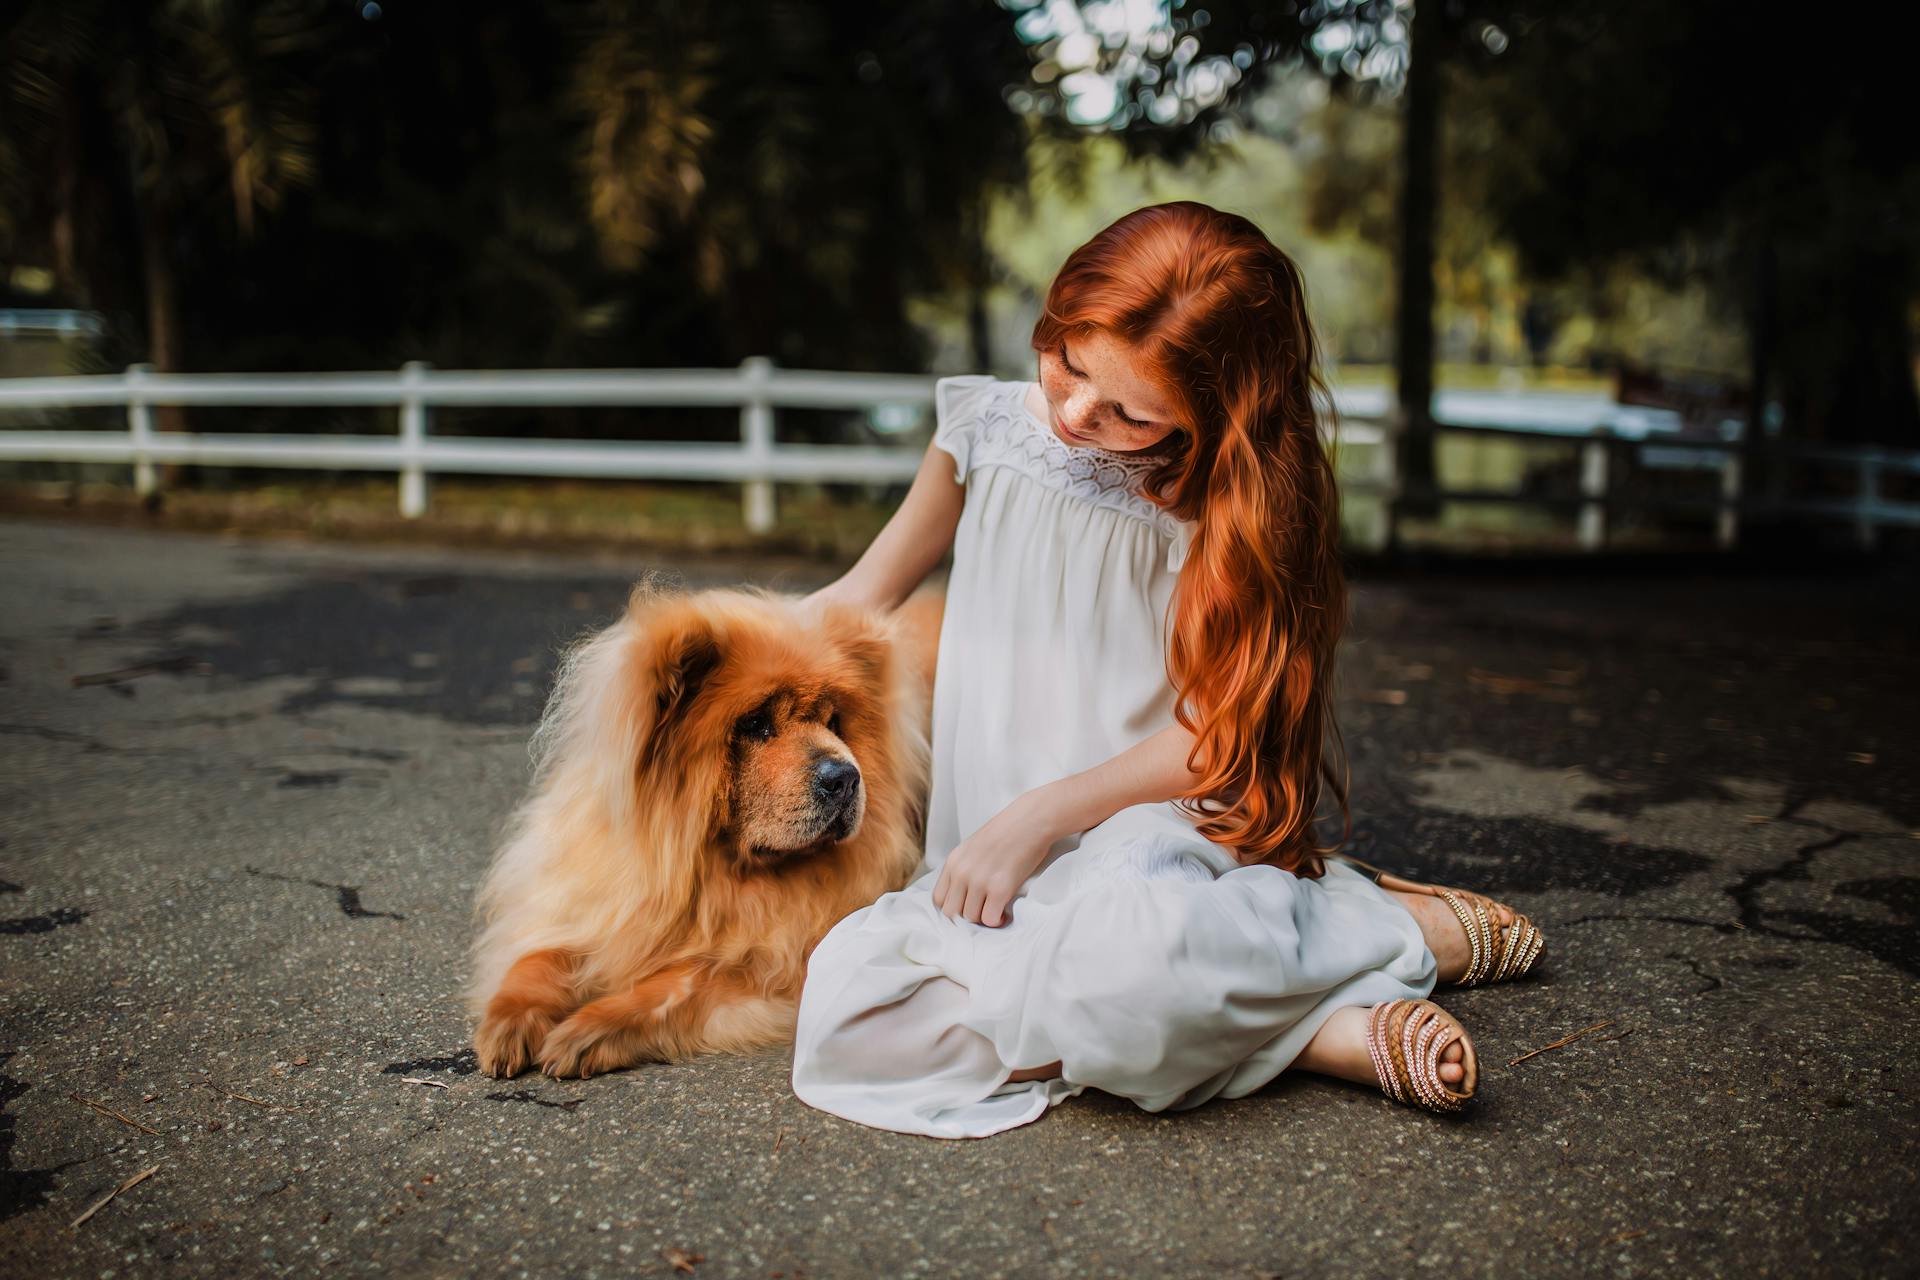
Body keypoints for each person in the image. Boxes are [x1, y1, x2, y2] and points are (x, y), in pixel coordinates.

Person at [792, 201, 1544, 1139]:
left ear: (1213, 416)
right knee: (846, 1018)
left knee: (1126, 967)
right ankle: (1292, 1015)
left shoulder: (1228, 504)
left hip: (1141, 834)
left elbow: (1221, 735)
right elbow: (862, 594)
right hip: (989, 860)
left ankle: (1362, 960)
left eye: (1129, 412)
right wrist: (715, 641)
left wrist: (1045, 812)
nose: (1074, 413)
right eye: (1067, 361)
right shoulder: (983, 427)